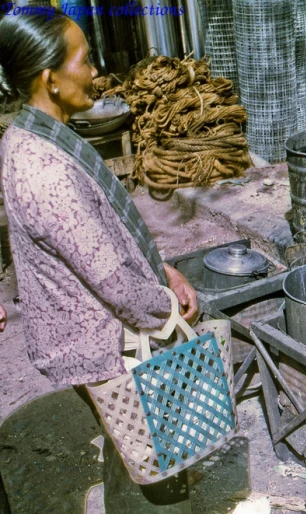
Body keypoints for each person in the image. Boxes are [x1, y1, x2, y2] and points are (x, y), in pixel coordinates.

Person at [1, 10, 197, 512]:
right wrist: (165, 307)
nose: (94, 73)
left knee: (125, 439)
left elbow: (101, 235)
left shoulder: (28, 134)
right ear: (50, 79)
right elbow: (113, 282)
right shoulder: (45, 170)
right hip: (98, 340)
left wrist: (162, 268)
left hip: (89, 328)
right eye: (84, 61)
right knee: (152, 461)